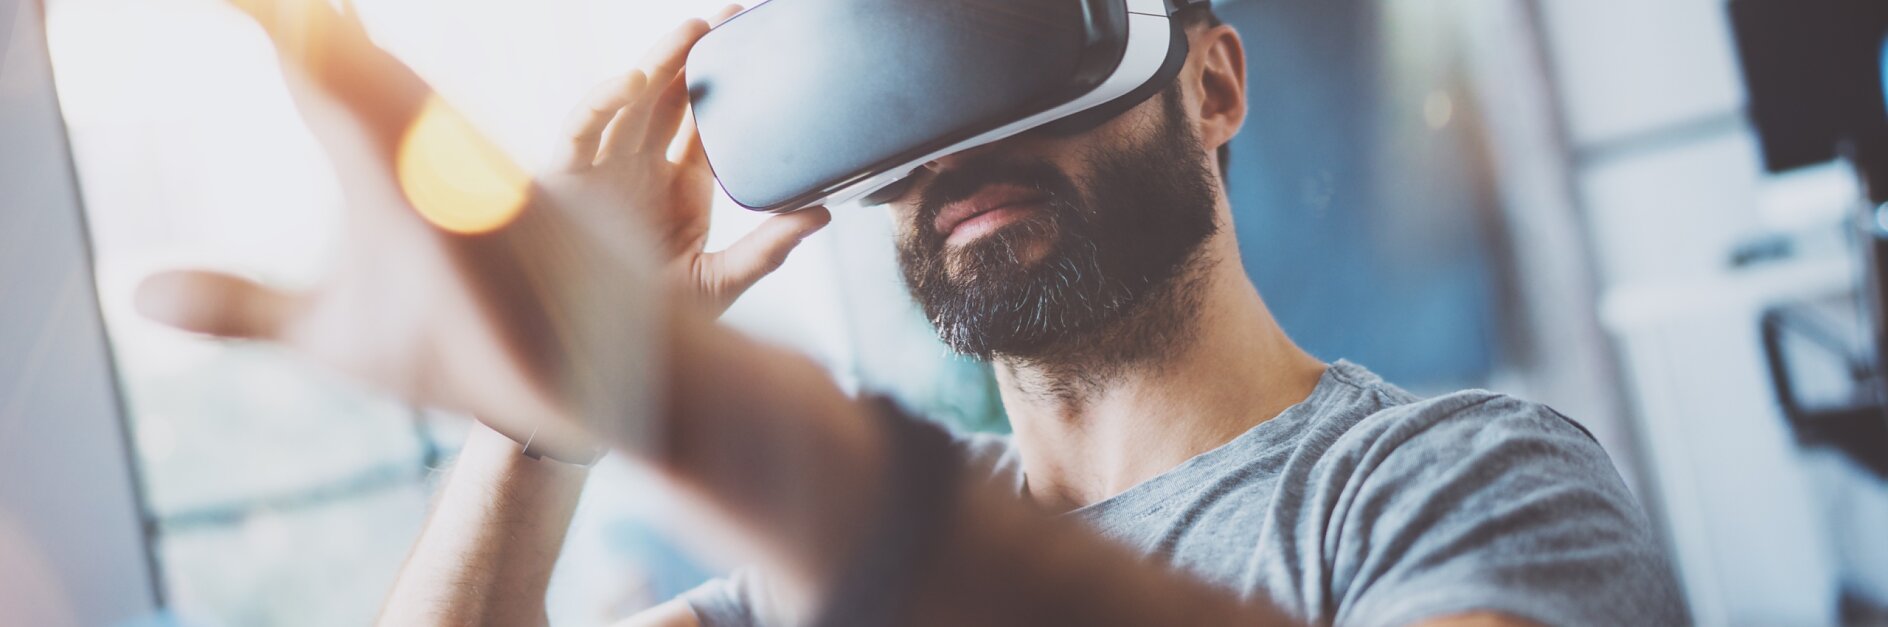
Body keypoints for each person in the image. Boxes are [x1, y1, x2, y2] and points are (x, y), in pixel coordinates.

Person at [137, 1, 1687, 625]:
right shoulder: (783, 604)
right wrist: (543, 419)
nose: (951, 153)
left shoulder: (1456, 488)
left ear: (1209, 83)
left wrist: (705, 414)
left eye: (1004, 42)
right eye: (893, 88)